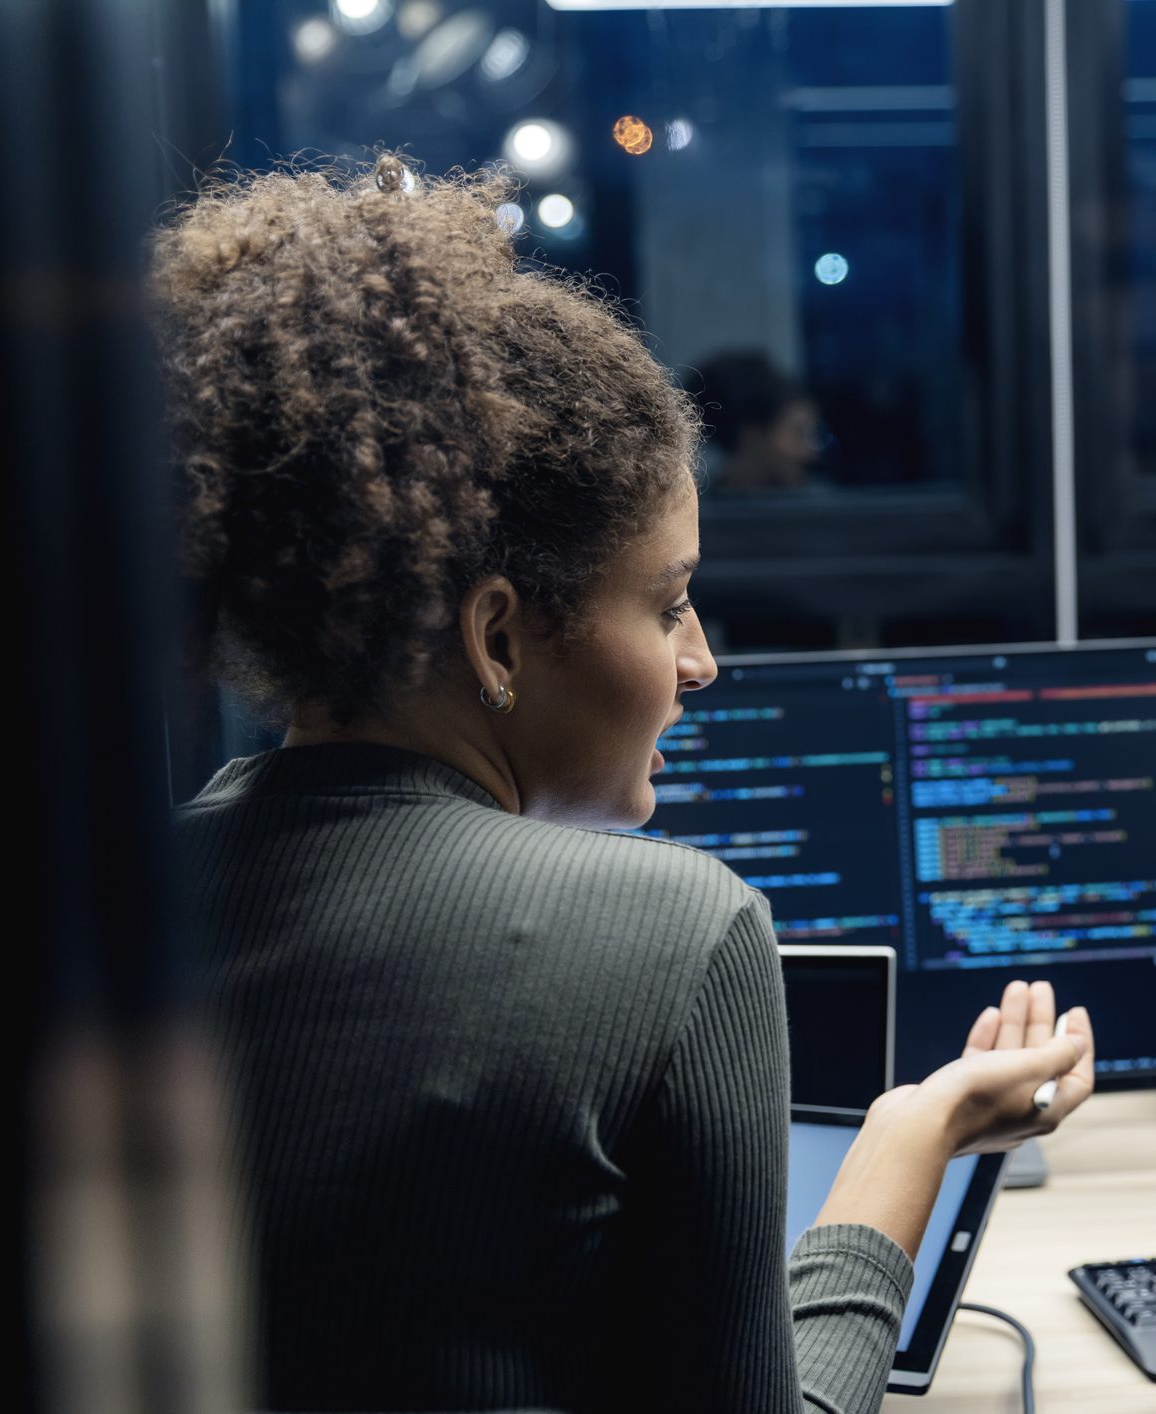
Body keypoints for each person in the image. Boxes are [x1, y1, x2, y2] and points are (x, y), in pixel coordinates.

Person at [153, 155, 1094, 1414]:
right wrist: (910, 1144)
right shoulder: (674, 935)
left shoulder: (104, 918)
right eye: (667, 603)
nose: (699, 661)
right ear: (497, 637)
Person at [685, 349, 825, 496]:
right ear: (752, 435)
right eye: (798, 433)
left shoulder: (821, 501)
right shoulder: (691, 507)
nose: (810, 453)